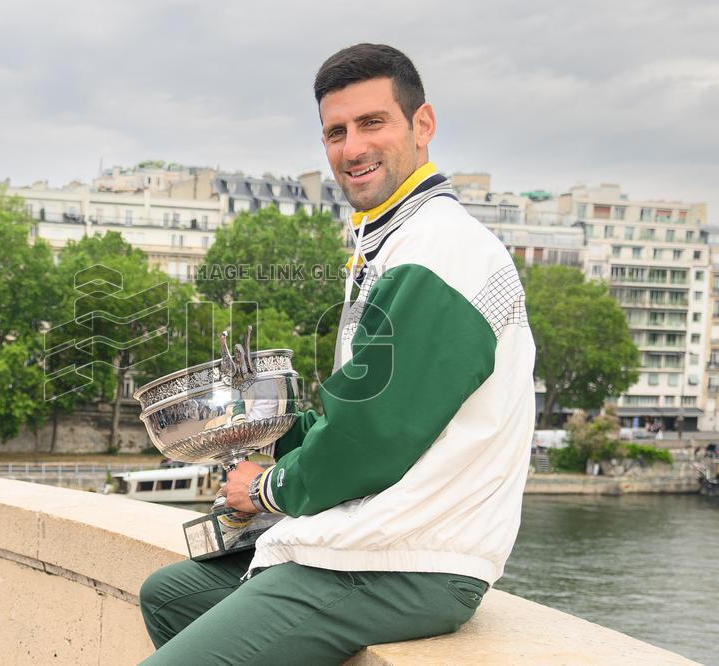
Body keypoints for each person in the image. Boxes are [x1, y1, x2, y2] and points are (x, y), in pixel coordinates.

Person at [139, 43, 536, 664]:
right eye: (336, 132)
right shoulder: (395, 239)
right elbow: (364, 406)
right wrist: (272, 435)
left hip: (408, 558)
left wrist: (269, 488)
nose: (351, 148)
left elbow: (374, 437)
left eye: (372, 123)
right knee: (171, 595)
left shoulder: (441, 251)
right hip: (375, 542)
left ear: (422, 125)